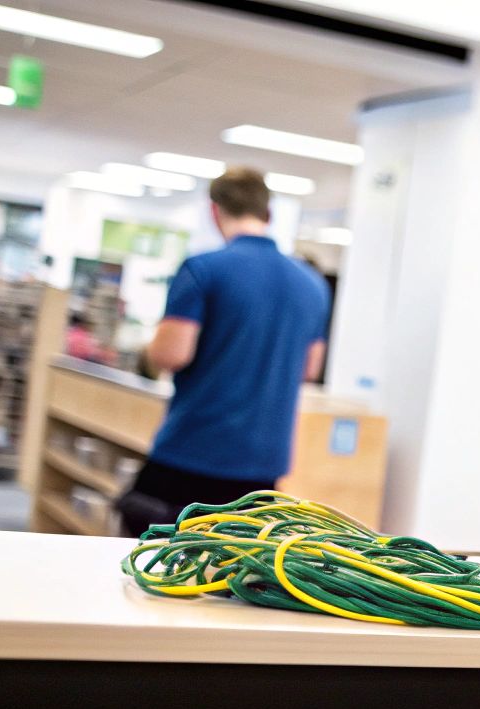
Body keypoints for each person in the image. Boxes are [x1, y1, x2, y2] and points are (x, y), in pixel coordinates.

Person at [118, 167, 330, 536]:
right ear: (270, 213)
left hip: (193, 454)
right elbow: (309, 369)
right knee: (232, 574)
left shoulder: (203, 269)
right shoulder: (312, 284)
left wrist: (148, 349)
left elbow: (171, 355)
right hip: (264, 468)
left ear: (214, 211)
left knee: (153, 566)